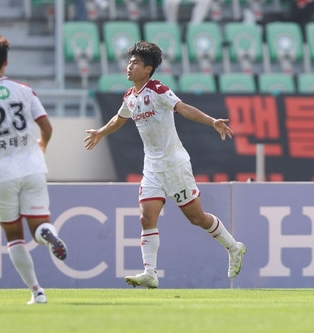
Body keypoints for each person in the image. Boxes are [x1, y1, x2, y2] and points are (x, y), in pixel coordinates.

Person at [84, 41, 246, 288]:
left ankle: (234, 248)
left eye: (135, 63)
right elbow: (120, 118)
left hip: (175, 166)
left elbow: (183, 108)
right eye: (129, 62)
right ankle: (150, 272)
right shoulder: (130, 96)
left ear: (148, 69)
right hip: (152, 168)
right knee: (146, 217)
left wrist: (213, 121)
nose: (129, 66)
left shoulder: (157, 90)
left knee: (197, 218)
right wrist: (101, 132)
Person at [0, 34, 67, 304]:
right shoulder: (24, 89)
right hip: (32, 166)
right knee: (38, 225)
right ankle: (49, 234)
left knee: (13, 236)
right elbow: (46, 127)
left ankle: (37, 292)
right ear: (6, 62)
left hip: (1, 172)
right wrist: (41, 146)